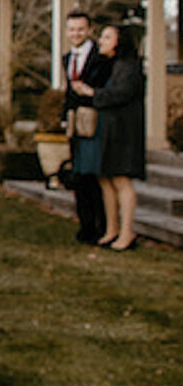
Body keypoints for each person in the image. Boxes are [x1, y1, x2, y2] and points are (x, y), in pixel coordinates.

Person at [86, 21, 146, 251]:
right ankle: (112, 229)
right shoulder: (112, 65)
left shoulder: (129, 67)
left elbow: (121, 94)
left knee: (121, 180)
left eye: (107, 37)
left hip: (124, 133)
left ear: (119, 42)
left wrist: (93, 93)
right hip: (109, 130)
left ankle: (127, 232)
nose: (101, 41)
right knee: (106, 179)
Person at [60, 8, 110, 245]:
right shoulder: (67, 58)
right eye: (72, 29)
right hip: (75, 125)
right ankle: (85, 226)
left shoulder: (100, 58)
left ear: (89, 30)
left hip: (94, 122)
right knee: (78, 175)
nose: (76, 33)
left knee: (92, 176)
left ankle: (101, 227)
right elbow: (68, 93)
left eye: (80, 29)